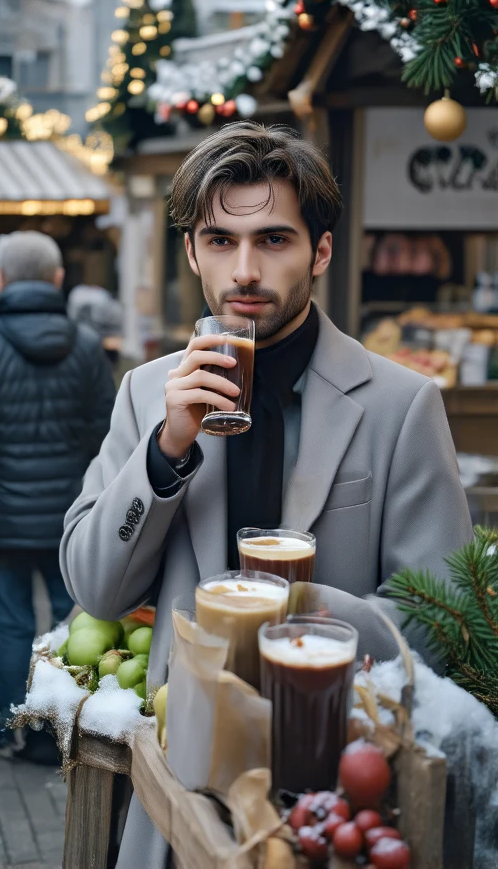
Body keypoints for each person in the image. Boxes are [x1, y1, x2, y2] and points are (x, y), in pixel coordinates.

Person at [60, 122, 472, 867]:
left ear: (320, 250)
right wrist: (165, 450)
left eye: (274, 240)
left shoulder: (400, 405)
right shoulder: (146, 393)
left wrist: (294, 611)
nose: (244, 268)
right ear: (192, 252)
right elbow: (97, 589)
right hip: (180, 786)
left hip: (336, 793)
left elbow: (442, 626)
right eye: (220, 241)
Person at [0, 230, 116, 759]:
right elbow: (108, 433)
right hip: (72, 518)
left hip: (2, 511)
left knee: (9, 625)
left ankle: (4, 728)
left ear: (0, 279)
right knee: (72, 625)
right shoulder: (86, 346)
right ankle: (62, 731)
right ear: (58, 279)